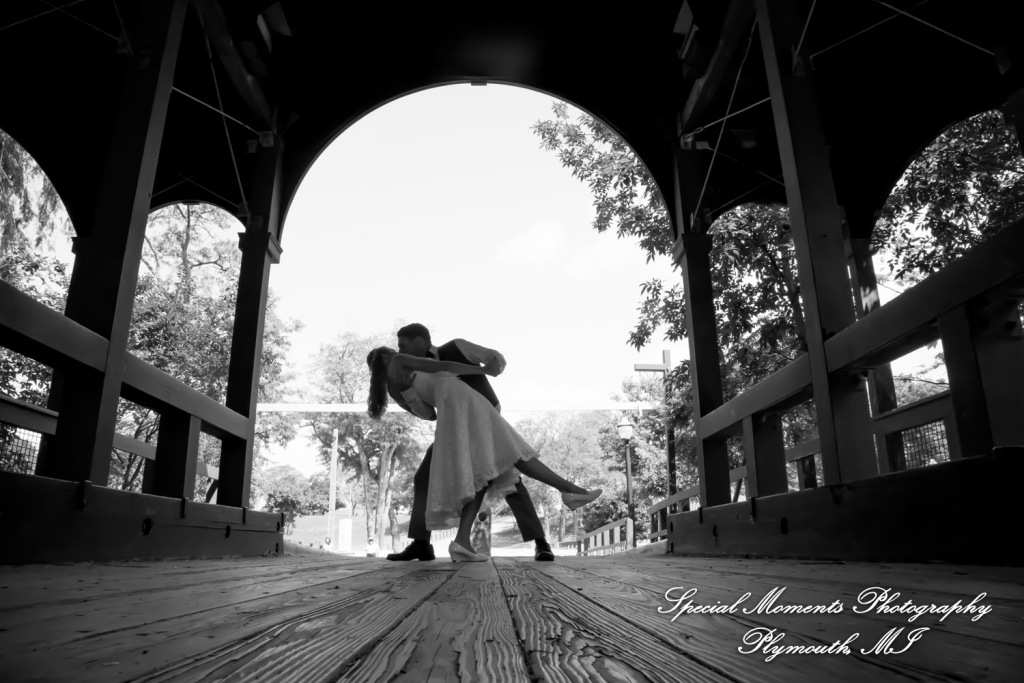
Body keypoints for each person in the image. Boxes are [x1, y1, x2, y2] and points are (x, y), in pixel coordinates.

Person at [367, 343, 601, 562]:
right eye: (396, 347)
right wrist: (481, 371)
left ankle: (466, 541)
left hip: (467, 409)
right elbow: (434, 398)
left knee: (488, 471)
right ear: (387, 357)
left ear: (422, 340)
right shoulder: (401, 365)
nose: (400, 348)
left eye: (403, 343)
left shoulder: (449, 349)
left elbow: (482, 359)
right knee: (511, 455)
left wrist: (491, 363)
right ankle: (569, 491)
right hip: (462, 410)